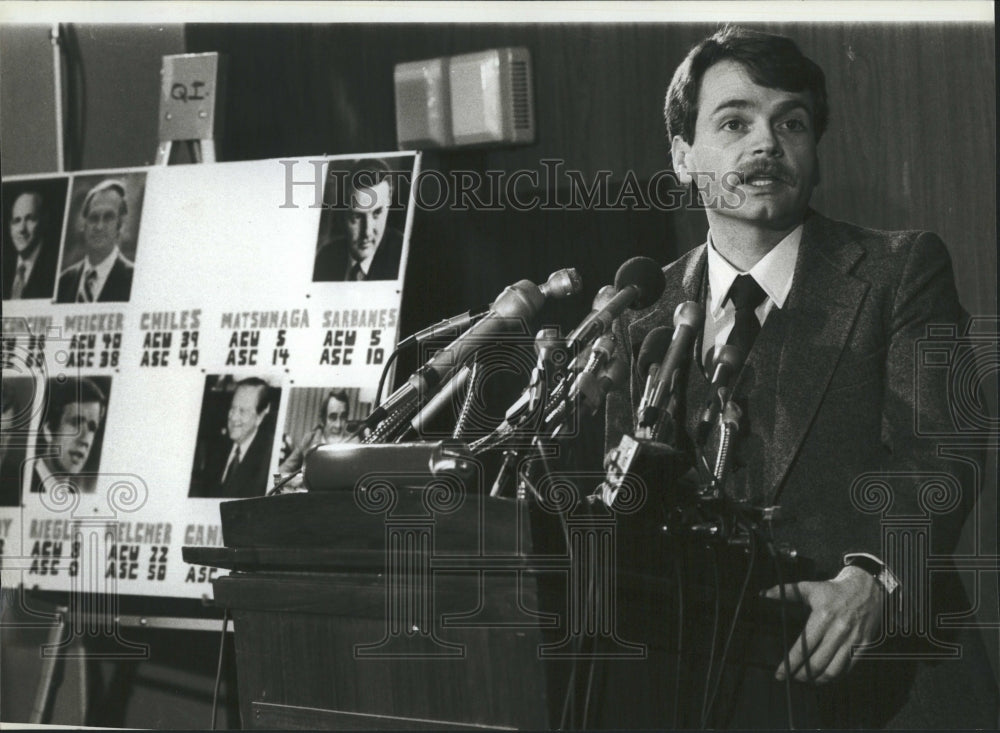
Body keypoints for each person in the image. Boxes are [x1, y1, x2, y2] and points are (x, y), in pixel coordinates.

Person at [605, 26, 995, 728]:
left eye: (792, 122)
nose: (766, 144)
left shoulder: (899, 271)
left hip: (889, 689)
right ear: (683, 156)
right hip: (708, 693)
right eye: (735, 122)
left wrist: (875, 575)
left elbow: (943, 454)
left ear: (813, 151)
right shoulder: (645, 310)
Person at [313, 158, 404, 282]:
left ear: (389, 204)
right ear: (344, 213)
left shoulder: (404, 256)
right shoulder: (325, 258)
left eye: (377, 213)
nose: (367, 232)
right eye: (357, 216)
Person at [192, 377, 275, 499]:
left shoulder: (268, 459)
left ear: (260, 417)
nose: (234, 418)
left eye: (242, 411)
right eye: (232, 408)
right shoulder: (216, 447)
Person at [56, 179, 135, 303]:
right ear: (84, 225)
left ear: (120, 225)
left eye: (108, 217)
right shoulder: (63, 281)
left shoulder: (135, 279)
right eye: (93, 218)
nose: (99, 226)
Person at [30, 377, 107, 494]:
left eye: (92, 428)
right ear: (49, 430)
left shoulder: (77, 497)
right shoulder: (17, 485)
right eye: (76, 423)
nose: (85, 439)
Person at [278, 389, 355, 478]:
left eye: (343, 417)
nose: (338, 425)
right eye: (333, 417)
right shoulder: (309, 439)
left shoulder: (354, 443)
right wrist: (298, 480)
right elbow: (278, 474)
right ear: (323, 419)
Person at [2, 190, 60, 300]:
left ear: (44, 221)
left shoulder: (55, 270)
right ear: (10, 227)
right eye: (16, 220)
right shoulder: (5, 268)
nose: (22, 229)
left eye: (30, 219)